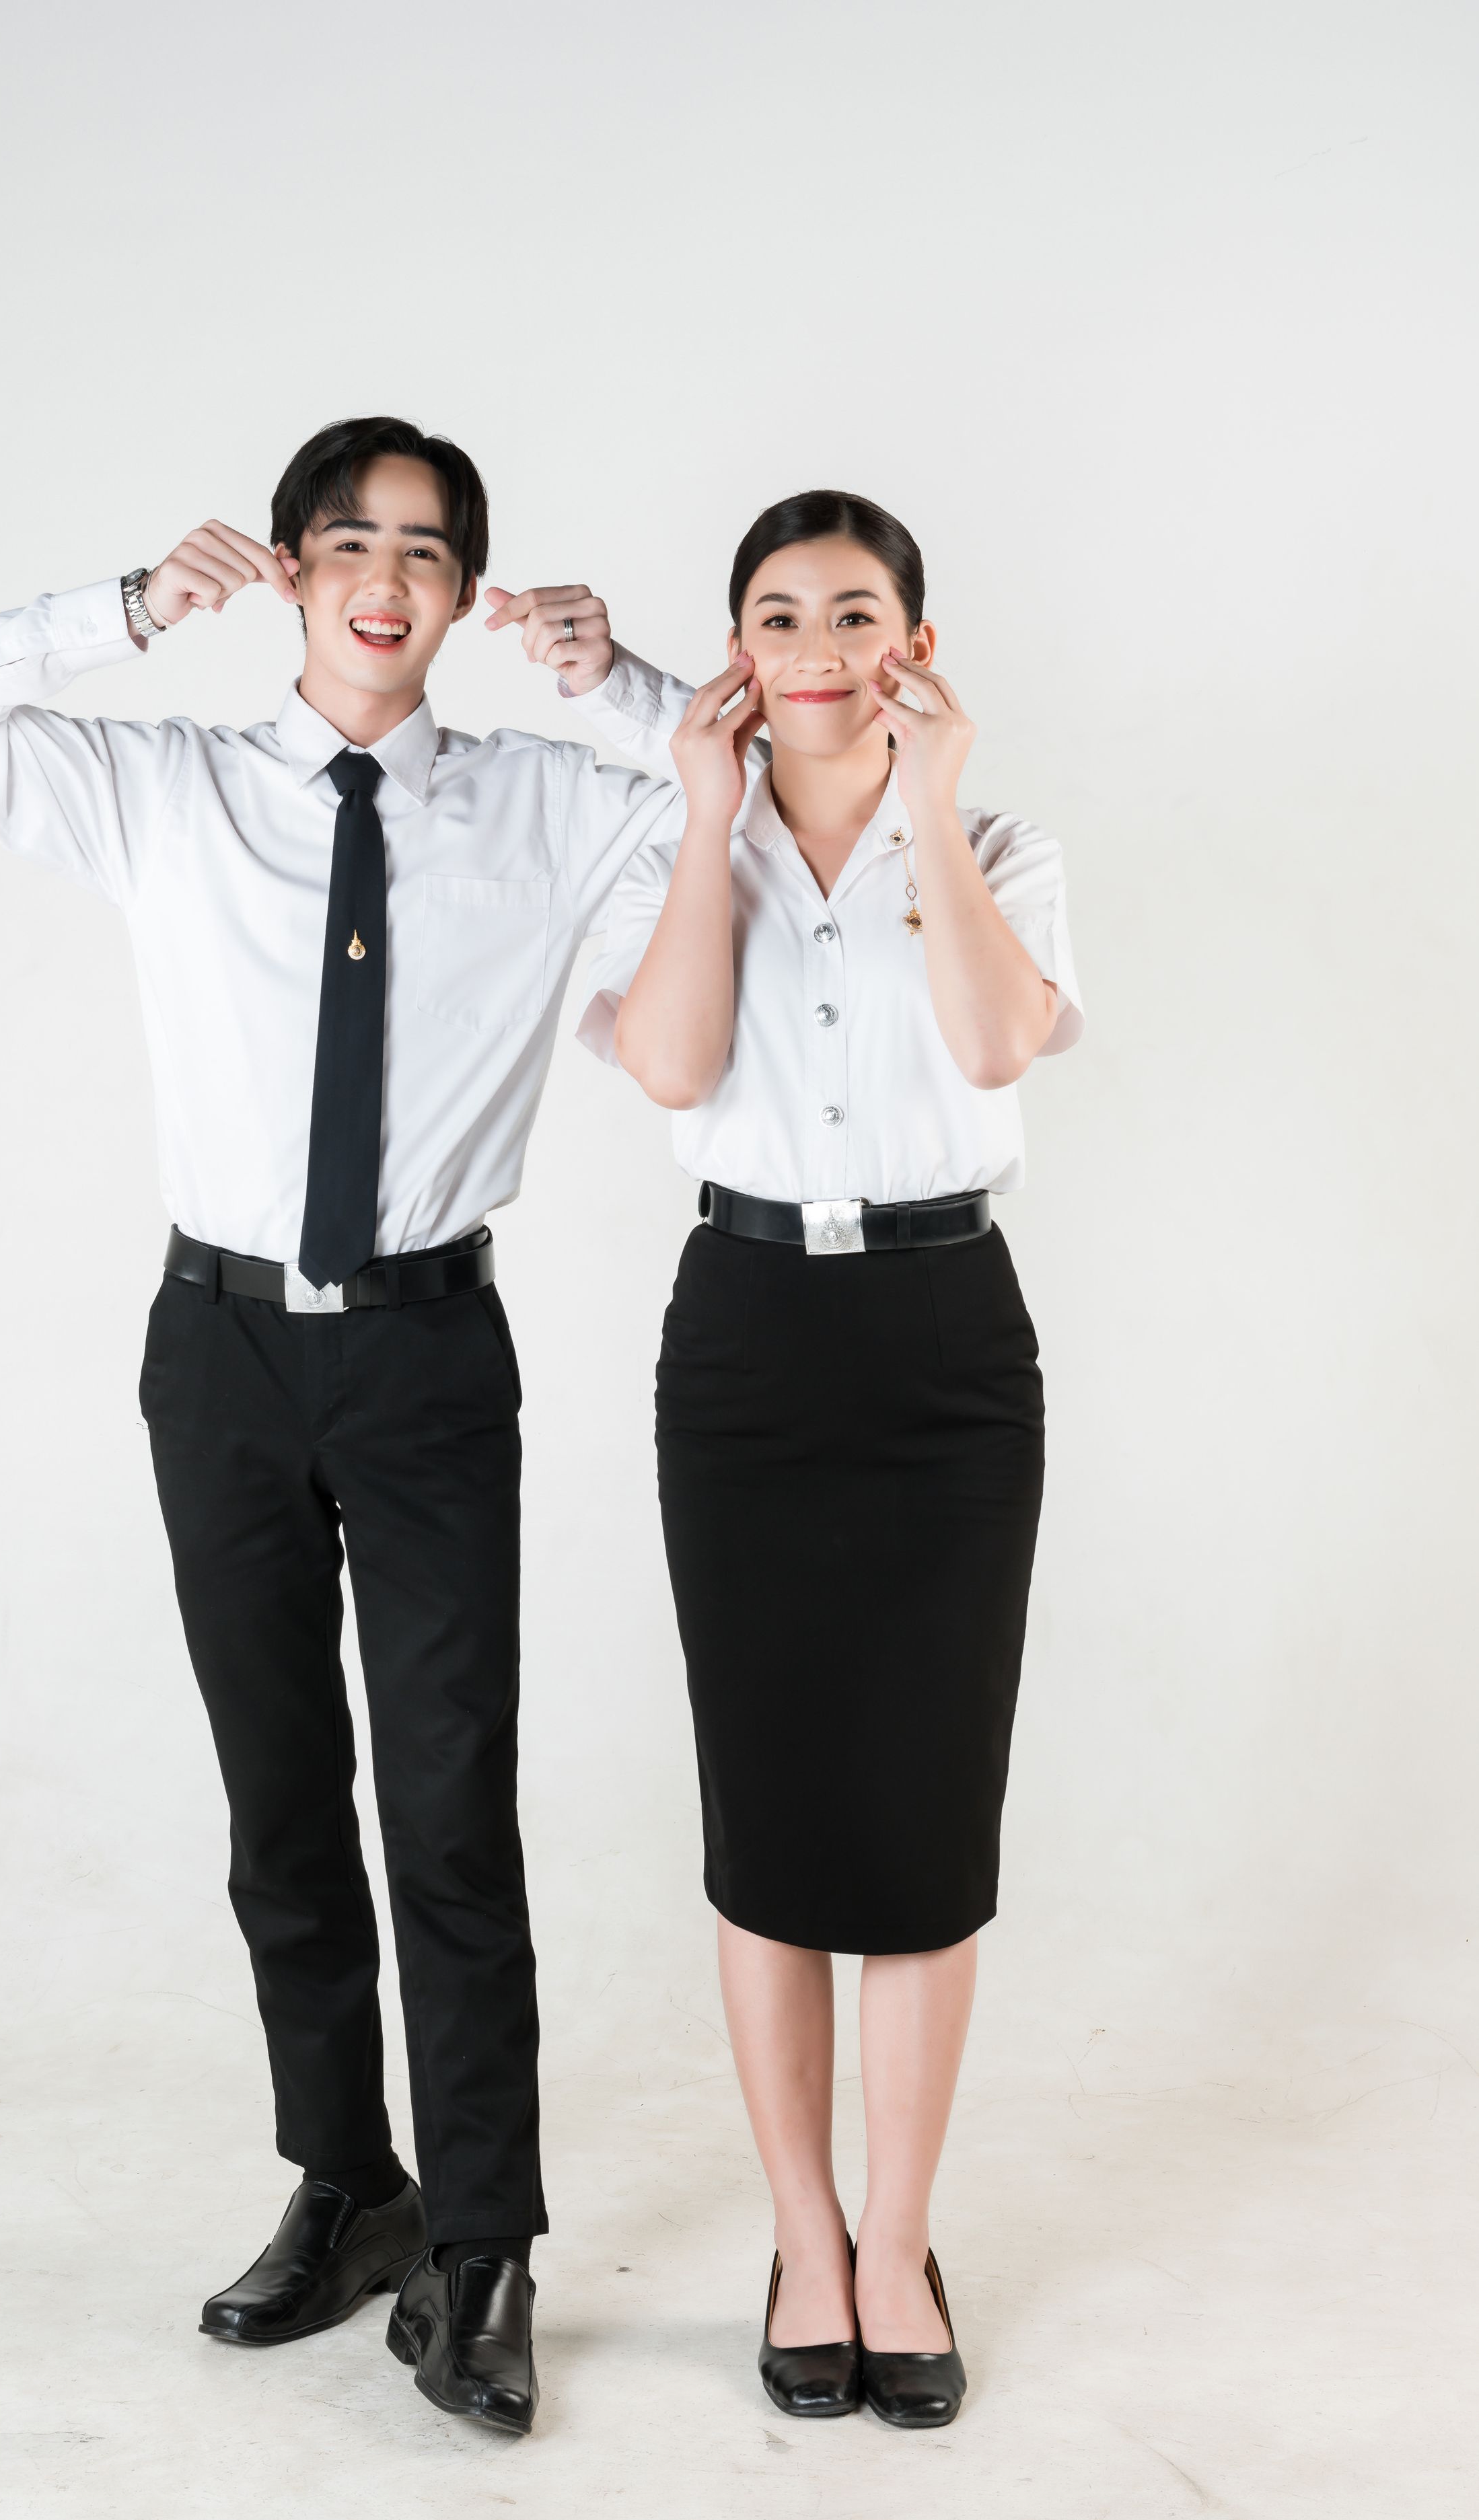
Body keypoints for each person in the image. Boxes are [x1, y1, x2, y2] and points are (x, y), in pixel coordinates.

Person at [0, 414, 681, 2438]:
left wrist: (627, 683)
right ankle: (349, 2178)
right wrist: (123, 609)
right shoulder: (171, 790)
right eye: (348, 544)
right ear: (294, 574)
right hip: (216, 1349)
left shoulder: (551, 806)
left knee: (449, 1805)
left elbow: (748, 797)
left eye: (426, 551)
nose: (385, 581)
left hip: (425, 1352)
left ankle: (482, 2244)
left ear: (466, 595)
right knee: (280, 1801)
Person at [572, 490, 1083, 2426]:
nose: (813, 643)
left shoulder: (1003, 846)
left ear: (912, 647)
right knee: (773, 1814)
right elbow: (676, 1069)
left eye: (854, 612)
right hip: (748, 1338)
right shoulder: (673, 841)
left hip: (948, 1346)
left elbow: (996, 1044)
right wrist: (708, 812)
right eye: (776, 613)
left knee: (929, 1822)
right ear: (737, 651)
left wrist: (927, 809)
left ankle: (898, 2238)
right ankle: (803, 2234)